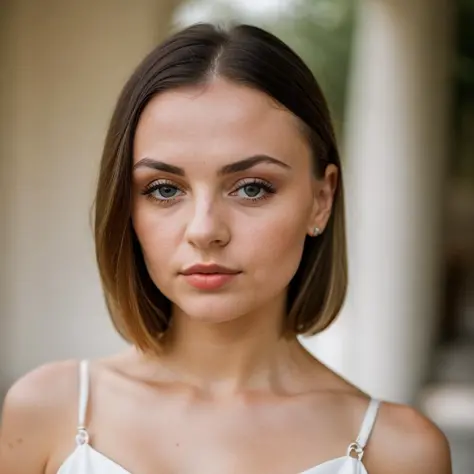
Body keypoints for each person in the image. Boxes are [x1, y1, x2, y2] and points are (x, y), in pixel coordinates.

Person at [0, 23, 451, 474]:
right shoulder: (46, 411)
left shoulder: (400, 451)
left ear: (321, 199)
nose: (204, 230)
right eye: (163, 189)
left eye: (252, 188)